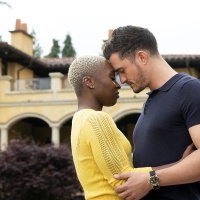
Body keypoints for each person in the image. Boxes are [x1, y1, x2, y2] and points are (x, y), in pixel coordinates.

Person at [68, 55, 193, 200]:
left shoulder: (79, 119)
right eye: (112, 78)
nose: (118, 84)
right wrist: (180, 165)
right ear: (89, 82)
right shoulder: (96, 119)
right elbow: (125, 182)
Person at [103, 25, 200, 200]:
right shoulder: (152, 100)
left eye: (122, 71)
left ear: (142, 57)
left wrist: (151, 180)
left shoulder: (188, 90)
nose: (122, 80)